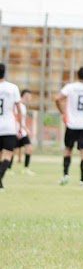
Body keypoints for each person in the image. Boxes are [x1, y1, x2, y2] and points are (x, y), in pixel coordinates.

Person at [0, 63, 23, 192]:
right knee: (8, 155)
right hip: (8, 126)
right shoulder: (12, 88)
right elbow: (19, 109)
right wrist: (20, 126)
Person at [15, 89, 35, 175]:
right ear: (26, 95)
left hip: (22, 131)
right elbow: (17, 118)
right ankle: (8, 169)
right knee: (10, 151)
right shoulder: (18, 105)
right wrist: (25, 128)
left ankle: (26, 168)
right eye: (29, 96)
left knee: (28, 148)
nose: (30, 98)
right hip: (16, 130)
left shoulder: (23, 106)